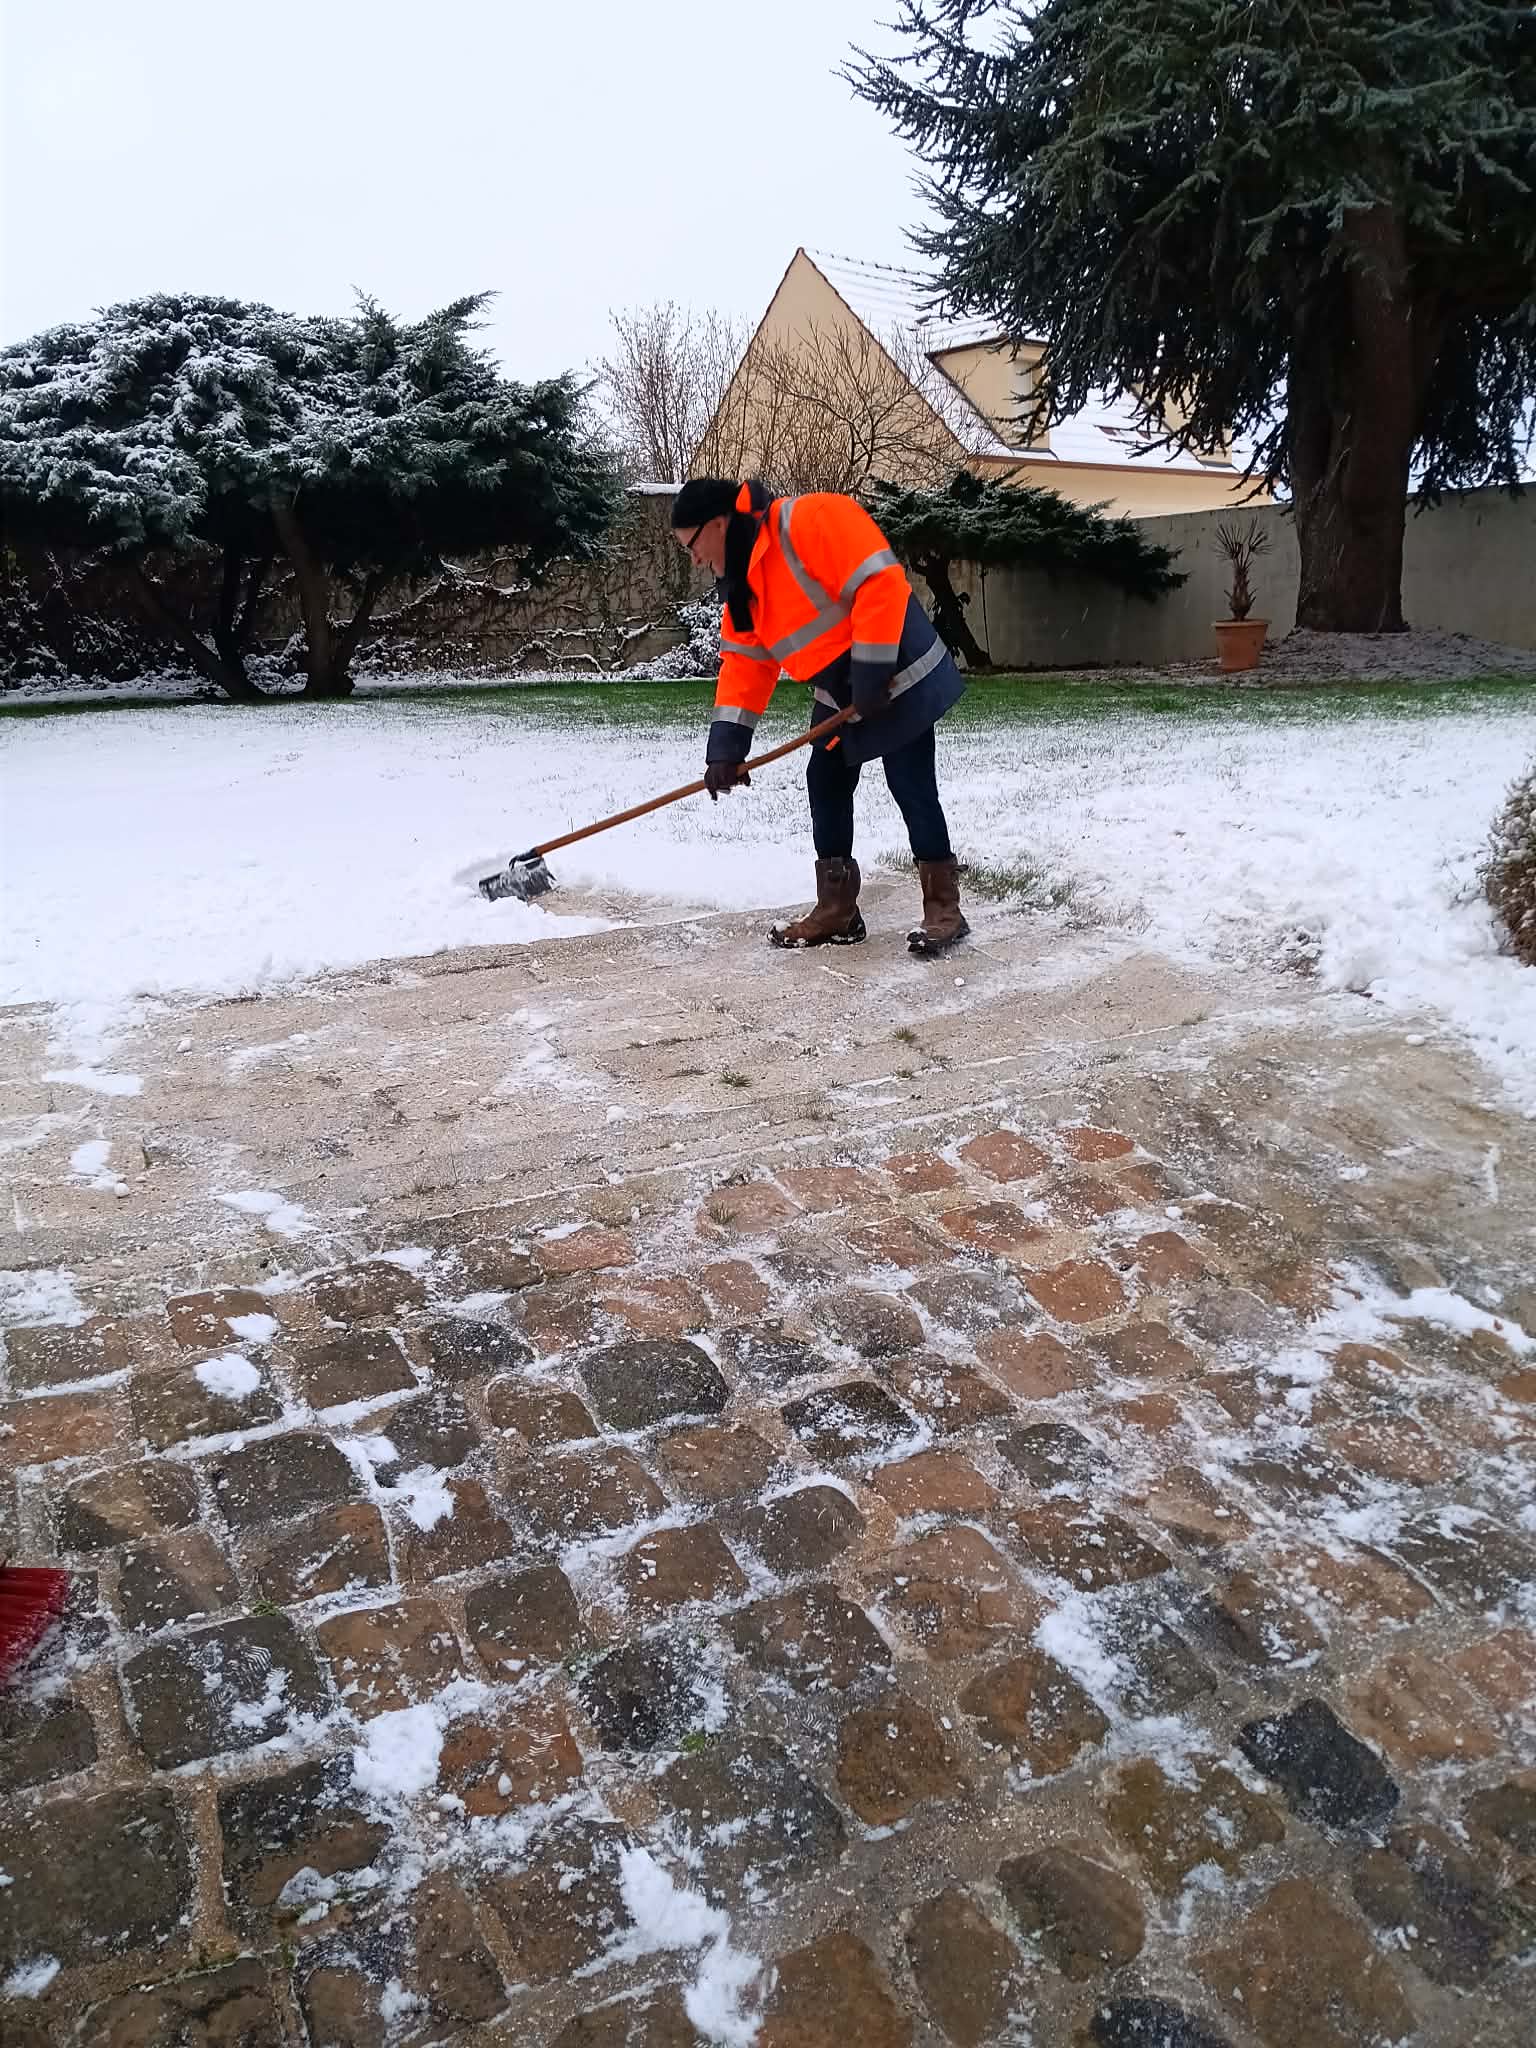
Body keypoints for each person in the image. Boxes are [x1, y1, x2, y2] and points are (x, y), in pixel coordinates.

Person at [670, 478, 970, 954]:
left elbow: (880, 581)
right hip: (840, 690)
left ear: (719, 524)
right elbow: (747, 665)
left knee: (909, 782)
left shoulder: (809, 521)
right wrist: (726, 750)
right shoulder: (743, 586)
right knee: (825, 779)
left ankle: (943, 909)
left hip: (895, 671)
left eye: (692, 544)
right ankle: (838, 910)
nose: (695, 558)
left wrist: (872, 671)